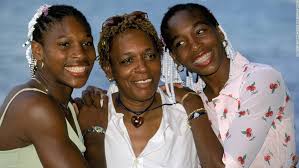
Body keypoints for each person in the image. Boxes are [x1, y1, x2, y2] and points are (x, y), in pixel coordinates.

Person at [78, 10, 225, 168]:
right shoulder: (90, 114)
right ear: (109, 69)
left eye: (150, 56)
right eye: (127, 60)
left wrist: (194, 104)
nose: (142, 68)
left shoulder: (185, 114)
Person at [160, 3, 296, 168]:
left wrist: (193, 104)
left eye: (200, 32)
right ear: (175, 58)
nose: (195, 45)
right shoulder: (187, 101)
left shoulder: (262, 79)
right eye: (180, 43)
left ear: (219, 32)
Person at [0, 4, 105, 168]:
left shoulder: (65, 104)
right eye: (65, 44)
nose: (80, 54)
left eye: (87, 43)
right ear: (37, 51)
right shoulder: (35, 107)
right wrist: (94, 133)